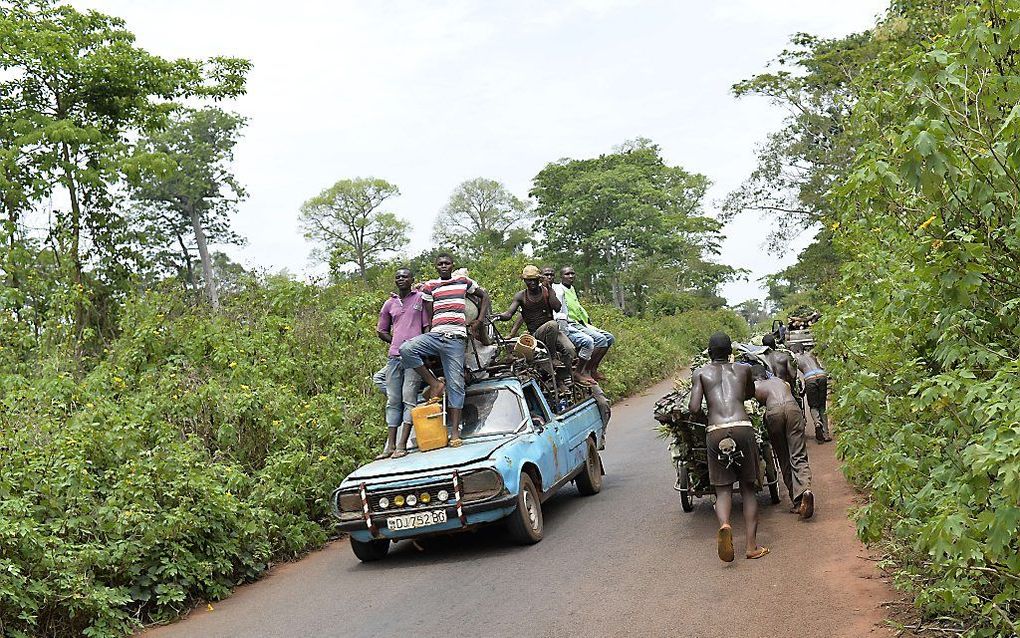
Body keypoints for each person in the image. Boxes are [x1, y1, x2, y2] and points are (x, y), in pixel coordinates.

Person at [688, 332, 769, 562]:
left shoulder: (701, 372)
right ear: (731, 352)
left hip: (716, 431)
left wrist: (709, 414)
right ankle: (752, 546)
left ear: (710, 353)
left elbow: (694, 408)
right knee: (748, 488)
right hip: (743, 427)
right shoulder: (743, 369)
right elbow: (750, 394)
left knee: (723, 490)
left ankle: (724, 524)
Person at [399, 253, 490, 447]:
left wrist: (479, 321)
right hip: (436, 335)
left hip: (456, 339)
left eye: (446, 263)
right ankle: (434, 383)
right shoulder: (431, 286)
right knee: (406, 349)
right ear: (436, 267)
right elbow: (428, 311)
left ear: (452, 265)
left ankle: (455, 434)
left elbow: (484, 296)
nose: (443, 266)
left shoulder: (463, 281)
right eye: (440, 264)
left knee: (456, 383)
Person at [495, 265, 590, 385]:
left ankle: (561, 377)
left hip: (553, 332)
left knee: (570, 350)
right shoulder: (521, 296)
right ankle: (552, 356)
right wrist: (497, 316)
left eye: (534, 279)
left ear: (539, 279)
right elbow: (509, 314)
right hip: (536, 333)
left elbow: (557, 307)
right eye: (529, 280)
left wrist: (549, 289)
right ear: (524, 281)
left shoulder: (546, 292)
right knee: (552, 324)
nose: (532, 283)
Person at [373, 267, 427, 459]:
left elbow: (427, 326)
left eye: (405, 276)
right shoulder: (389, 303)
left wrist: (416, 347)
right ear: (395, 281)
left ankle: (402, 445)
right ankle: (389, 447)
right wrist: (395, 342)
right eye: (398, 277)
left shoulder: (420, 298)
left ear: (412, 279)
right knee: (393, 401)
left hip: (414, 358)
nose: (402, 279)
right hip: (394, 357)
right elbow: (381, 330)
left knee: (408, 399)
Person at [751, 365, 814, 518]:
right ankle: (805, 490)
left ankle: (798, 502)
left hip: (774, 412)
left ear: (753, 378)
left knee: (784, 457)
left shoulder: (755, 387)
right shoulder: (780, 381)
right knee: (798, 454)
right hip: (793, 410)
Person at [555, 266, 614, 381]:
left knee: (610, 338)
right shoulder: (559, 290)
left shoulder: (571, 288)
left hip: (581, 322)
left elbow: (578, 307)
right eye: (567, 274)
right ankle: (582, 370)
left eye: (572, 273)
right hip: (570, 323)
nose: (571, 276)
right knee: (600, 340)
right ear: (561, 276)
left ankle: (593, 368)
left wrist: (587, 320)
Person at [792, 343, 832, 442]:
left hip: (809, 378)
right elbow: (821, 366)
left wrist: (802, 390)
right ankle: (826, 434)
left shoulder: (795, 358)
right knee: (822, 405)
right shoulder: (811, 354)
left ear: (796, 350)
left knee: (814, 406)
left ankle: (817, 423)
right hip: (822, 375)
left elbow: (795, 376)